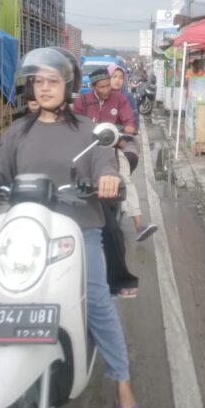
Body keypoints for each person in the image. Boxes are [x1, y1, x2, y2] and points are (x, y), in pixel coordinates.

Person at [0, 48, 141, 408]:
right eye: (38, 81)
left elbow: (104, 163)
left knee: (97, 299)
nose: (44, 87)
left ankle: (122, 381)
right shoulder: (18, 131)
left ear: (68, 86)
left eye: (52, 81)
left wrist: (108, 178)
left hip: (78, 230)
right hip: (25, 233)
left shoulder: (88, 131)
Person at [73, 68, 140, 298]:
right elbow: (75, 126)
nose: (105, 90)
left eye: (107, 86)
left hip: (113, 145)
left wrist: (126, 128)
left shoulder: (120, 99)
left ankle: (120, 278)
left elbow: (130, 122)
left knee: (123, 181)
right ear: (92, 87)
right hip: (85, 151)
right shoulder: (82, 102)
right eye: (101, 87)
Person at [108, 63, 158, 242]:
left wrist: (127, 132)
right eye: (114, 77)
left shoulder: (126, 97)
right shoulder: (94, 98)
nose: (117, 80)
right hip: (97, 145)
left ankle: (139, 225)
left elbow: (133, 121)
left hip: (121, 143)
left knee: (126, 179)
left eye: (120, 77)